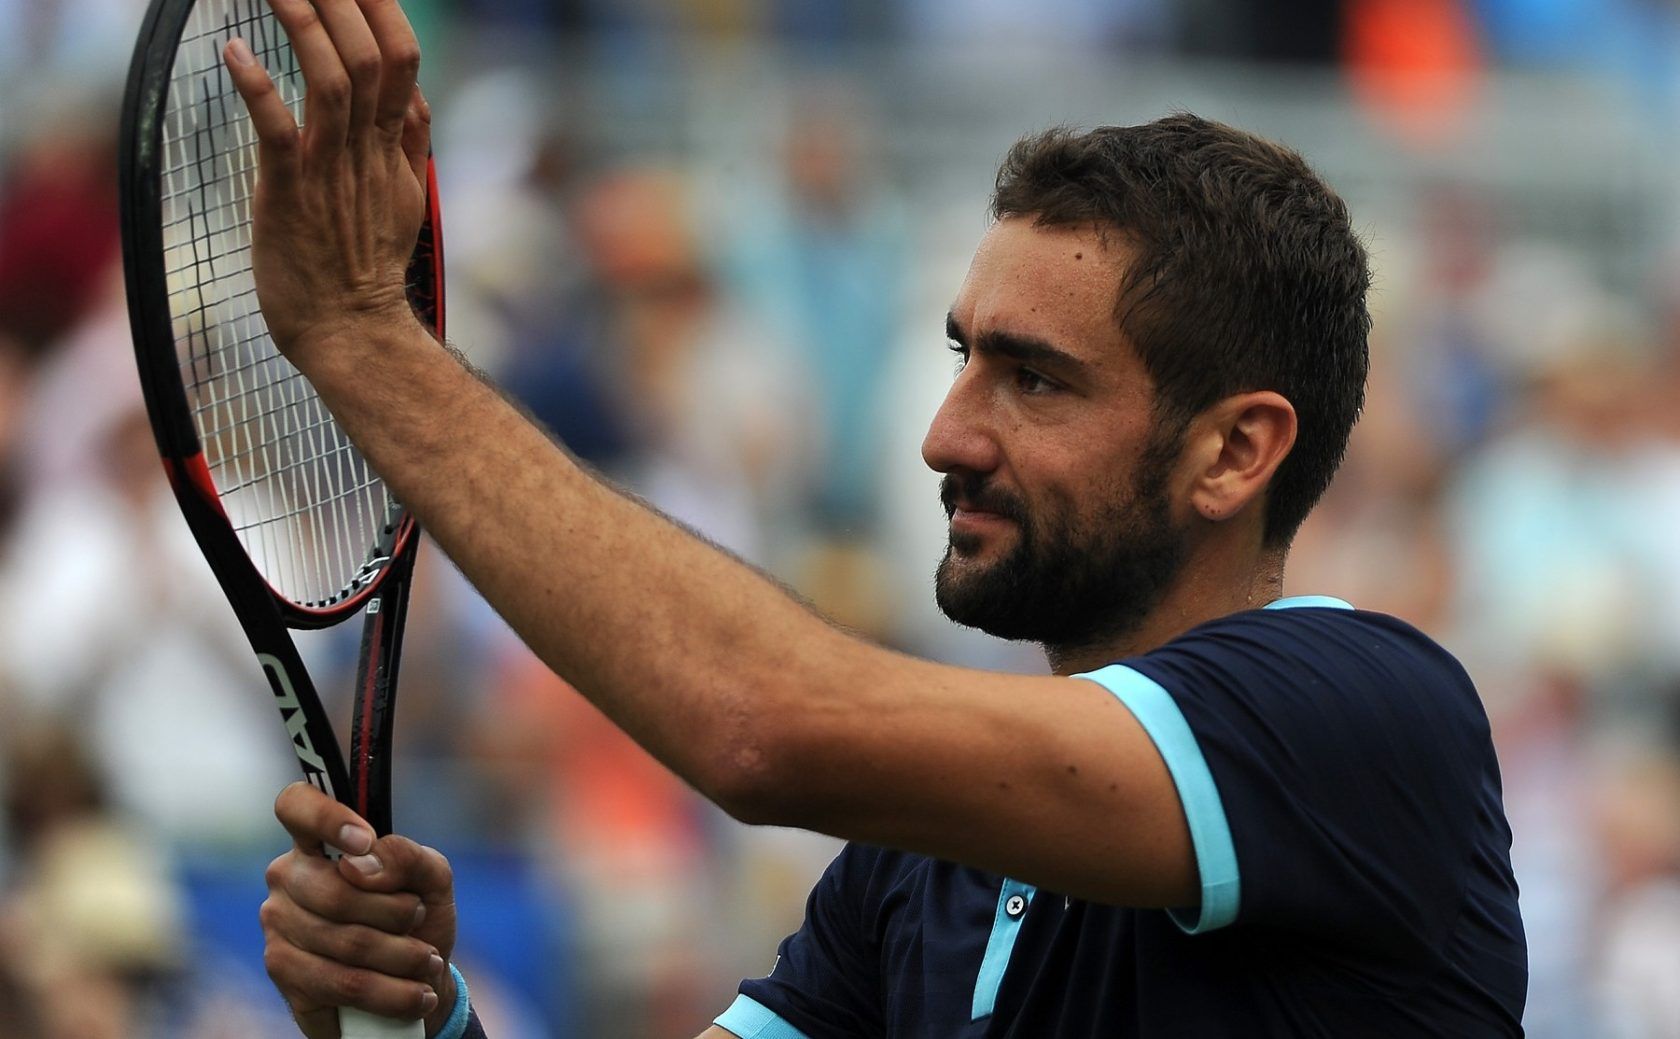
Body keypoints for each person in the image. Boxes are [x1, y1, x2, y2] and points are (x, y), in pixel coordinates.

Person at [227, 1, 1527, 1035]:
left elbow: (756, 726)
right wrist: (413, 1021)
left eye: (1033, 378)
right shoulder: (915, 869)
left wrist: (360, 333)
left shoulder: (1369, 714)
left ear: (1236, 452)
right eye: (961, 356)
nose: (944, 436)